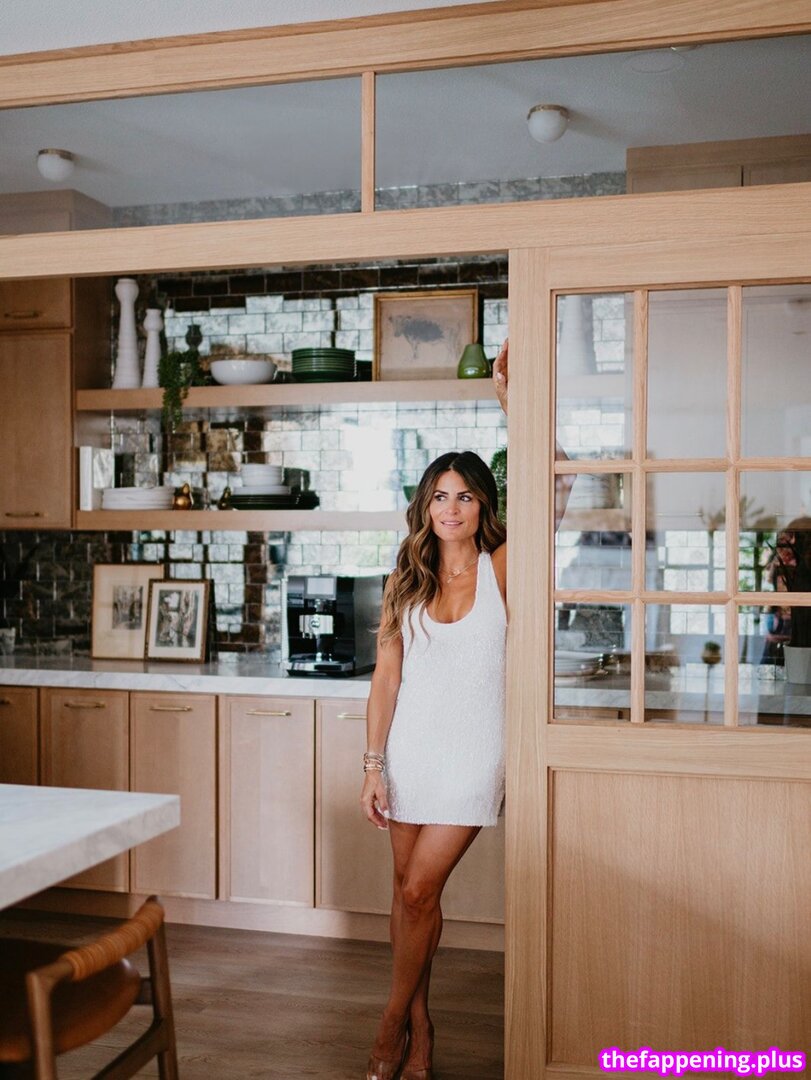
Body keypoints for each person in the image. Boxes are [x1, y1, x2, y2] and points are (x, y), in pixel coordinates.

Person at [359, 344, 515, 1080]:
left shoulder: (502, 569)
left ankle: (390, 1024)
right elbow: (386, 680)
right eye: (440, 496)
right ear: (425, 505)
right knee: (407, 896)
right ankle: (422, 1031)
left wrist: (510, 403)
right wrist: (373, 766)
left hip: (474, 755)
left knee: (420, 889)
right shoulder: (407, 575)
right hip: (410, 752)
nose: (451, 509)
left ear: (484, 506)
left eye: (466, 496)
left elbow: (555, 487)